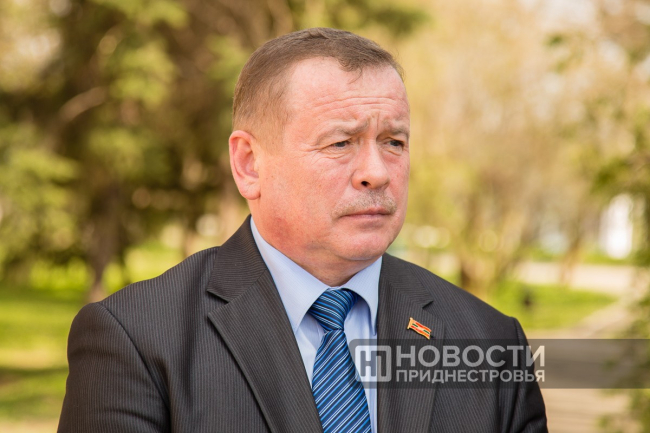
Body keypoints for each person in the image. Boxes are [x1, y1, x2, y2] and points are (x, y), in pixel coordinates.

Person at [58, 28, 547, 432]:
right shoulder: (137, 341)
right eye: (341, 142)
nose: (376, 172)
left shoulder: (489, 341)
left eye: (393, 142)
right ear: (249, 164)